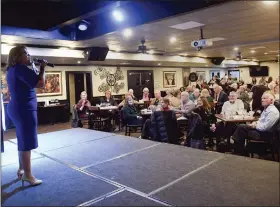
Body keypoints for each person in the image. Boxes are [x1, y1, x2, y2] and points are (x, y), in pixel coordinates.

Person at [6, 46, 47, 186]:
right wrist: (42, 68)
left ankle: (22, 169)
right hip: (24, 109)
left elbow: (33, 80)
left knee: (22, 140)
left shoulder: (12, 70)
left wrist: (35, 67)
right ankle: (28, 176)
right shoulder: (21, 69)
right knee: (27, 142)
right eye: (26, 53)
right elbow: (41, 83)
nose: (29, 56)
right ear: (18, 56)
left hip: (15, 108)